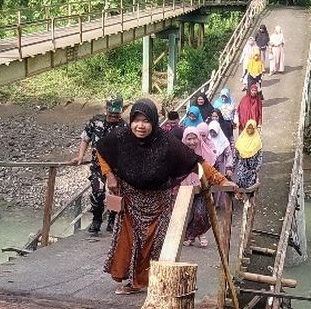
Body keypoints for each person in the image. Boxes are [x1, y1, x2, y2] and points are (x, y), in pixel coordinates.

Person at [96, 98, 236, 294]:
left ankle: (146, 282)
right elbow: (101, 150)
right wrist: (109, 175)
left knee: (154, 245)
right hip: (131, 201)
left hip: (159, 203)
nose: (140, 126)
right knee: (128, 243)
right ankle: (130, 282)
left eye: (146, 121)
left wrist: (221, 180)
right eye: (136, 120)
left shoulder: (166, 142)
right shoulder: (121, 137)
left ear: (153, 121)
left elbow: (195, 161)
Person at [74, 96, 127, 233]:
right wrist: (81, 156)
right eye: (112, 114)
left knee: (115, 193)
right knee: (98, 192)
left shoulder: (124, 126)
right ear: (106, 111)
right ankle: (96, 219)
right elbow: (85, 138)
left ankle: (111, 221)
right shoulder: (95, 121)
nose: (114, 117)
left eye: (117, 114)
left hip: (116, 167)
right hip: (98, 166)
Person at [181, 126, 218, 248]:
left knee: (200, 214)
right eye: (189, 139)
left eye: (194, 138)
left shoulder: (205, 152)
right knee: (188, 214)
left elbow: (211, 170)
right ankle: (191, 235)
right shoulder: (180, 153)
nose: (192, 142)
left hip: (202, 189)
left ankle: (198, 234)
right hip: (184, 189)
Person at [233, 119, 263, 189]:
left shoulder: (257, 141)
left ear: (254, 129)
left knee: (251, 190)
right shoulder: (240, 140)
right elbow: (235, 156)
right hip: (241, 170)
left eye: (252, 128)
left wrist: (256, 169)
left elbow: (259, 158)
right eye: (248, 128)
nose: (250, 130)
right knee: (240, 189)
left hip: (252, 171)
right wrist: (232, 168)